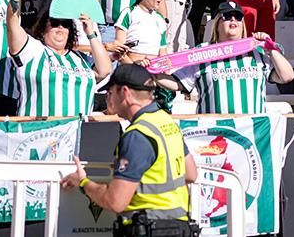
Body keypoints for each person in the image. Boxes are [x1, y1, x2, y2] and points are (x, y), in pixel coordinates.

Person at [60, 63, 198, 236]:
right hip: (179, 227)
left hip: (150, 228)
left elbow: (115, 201)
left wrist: (84, 182)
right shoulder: (166, 121)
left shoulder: (137, 135)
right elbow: (191, 173)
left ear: (124, 93)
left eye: (110, 93)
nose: (107, 100)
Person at [5, 0, 112, 117]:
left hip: (75, 133)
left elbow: (105, 70)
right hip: (37, 132)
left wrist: (90, 33)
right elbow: (12, 25)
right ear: (43, 29)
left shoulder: (78, 59)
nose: (60, 27)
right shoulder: (33, 50)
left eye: (65, 24)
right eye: (55, 23)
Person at [173, 1, 293, 114]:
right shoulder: (201, 52)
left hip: (252, 130)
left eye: (238, 17)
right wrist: (155, 74)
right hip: (214, 131)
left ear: (243, 24)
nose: (233, 19)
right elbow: (178, 83)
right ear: (217, 23)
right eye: (227, 16)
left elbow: (287, 76)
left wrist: (270, 48)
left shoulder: (257, 51)